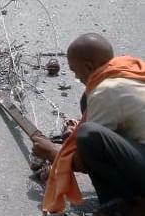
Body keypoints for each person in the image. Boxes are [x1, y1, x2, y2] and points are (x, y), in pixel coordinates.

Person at [32, 34, 145, 216]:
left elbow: (85, 159)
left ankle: (122, 204)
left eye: (74, 70)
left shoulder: (105, 90)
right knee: (87, 100)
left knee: (89, 134)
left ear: (89, 67)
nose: (76, 76)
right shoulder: (128, 70)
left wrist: (53, 152)